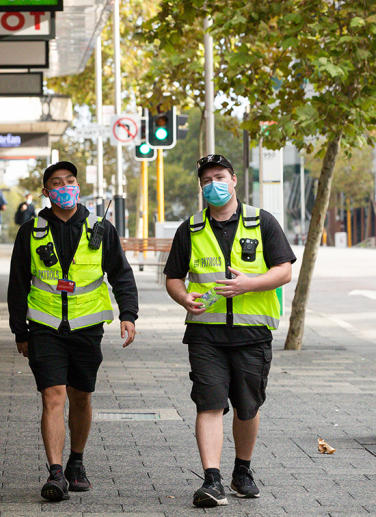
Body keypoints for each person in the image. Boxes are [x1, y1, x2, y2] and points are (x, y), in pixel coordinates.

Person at [163, 154, 295, 508]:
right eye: (206, 180)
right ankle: (212, 479)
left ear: (234, 180)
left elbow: (284, 271)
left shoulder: (262, 222)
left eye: (219, 177)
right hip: (206, 335)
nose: (213, 185)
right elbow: (173, 278)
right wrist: (182, 297)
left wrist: (249, 285)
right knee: (208, 404)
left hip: (252, 335)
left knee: (247, 408)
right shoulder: (189, 229)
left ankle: (242, 470)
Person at [8, 161, 138, 502]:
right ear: (46, 192)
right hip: (44, 327)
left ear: (77, 186)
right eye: (56, 182)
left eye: (69, 180)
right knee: (53, 396)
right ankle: (55, 473)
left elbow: (121, 274)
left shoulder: (100, 228)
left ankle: (76, 462)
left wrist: (129, 314)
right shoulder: (30, 231)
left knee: (81, 396)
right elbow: (18, 283)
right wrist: (19, 330)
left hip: (87, 327)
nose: (64, 186)